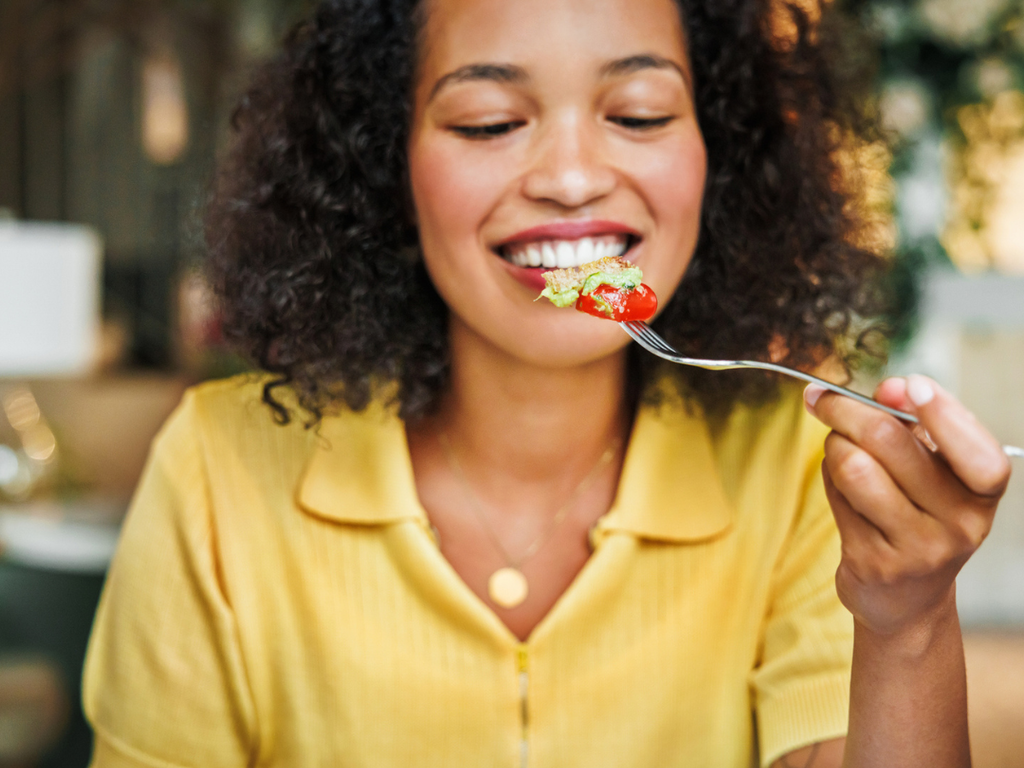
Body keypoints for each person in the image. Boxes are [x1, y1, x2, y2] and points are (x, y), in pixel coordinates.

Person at [82, 0, 1012, 766]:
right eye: (490, 122)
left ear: (717, 155)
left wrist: (909, 622)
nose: (571, 179)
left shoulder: (800, 467)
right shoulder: (216, 468)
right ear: (383, 161)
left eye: (639, 113)